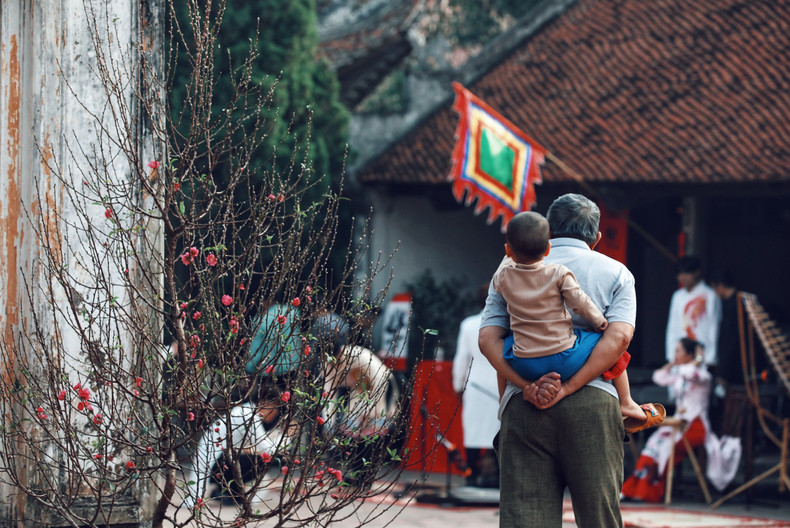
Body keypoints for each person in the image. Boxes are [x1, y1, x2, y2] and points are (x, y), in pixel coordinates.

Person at [479, 193, 636, 527]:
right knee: (599, 516)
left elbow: (488, 339)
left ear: (549, 233)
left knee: (525, 518)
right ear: (596, 238)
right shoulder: (617, 272)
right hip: (593, 401)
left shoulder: (506, 270)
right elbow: (619, 337)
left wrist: (525, 386)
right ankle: (629, 403)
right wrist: (569, 386)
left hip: (525, 402)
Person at [490, 211, 658, 426]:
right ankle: (626, 401)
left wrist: (507, 259)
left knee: (503, 340)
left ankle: (504, 401)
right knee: (615, 340)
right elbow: (581, 304)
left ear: (508, 250)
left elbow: (489, 337)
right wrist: (600, 323)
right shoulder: (559, 273)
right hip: (564, 360)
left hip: (524, 365)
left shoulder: (502, 275)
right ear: (547, 248)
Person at [622, 338, 716, 502]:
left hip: (695, 425)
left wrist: (698, 359)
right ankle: (635, 489)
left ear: (689, 355)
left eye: (679, 351)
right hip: (678, 423)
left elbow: (690, 373)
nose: (675, 354)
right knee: (652, 445)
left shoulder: (702, 374)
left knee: (664, 448)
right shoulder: (680, 372)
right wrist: (673, 363)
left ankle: (649, 490)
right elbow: (659, 377)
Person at [452, 283, 501, 488]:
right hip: (501, 386)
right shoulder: (508, 323)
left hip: (475, 386)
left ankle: (471, 478)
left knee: (473, 433)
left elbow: (461, 359)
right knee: (499, 433)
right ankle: (498, 480)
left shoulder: (469, 324)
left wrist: (457, 385)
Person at [665, 256, 721, 369]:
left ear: (697, 272)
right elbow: (673, 326)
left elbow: (714, 326)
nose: (683, 277)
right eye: (680, 274)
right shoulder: (678, 296)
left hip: (701, 353)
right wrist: (671, 354)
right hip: (681, 353)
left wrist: (711, 357)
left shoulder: (709, 295)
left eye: (687, 273)